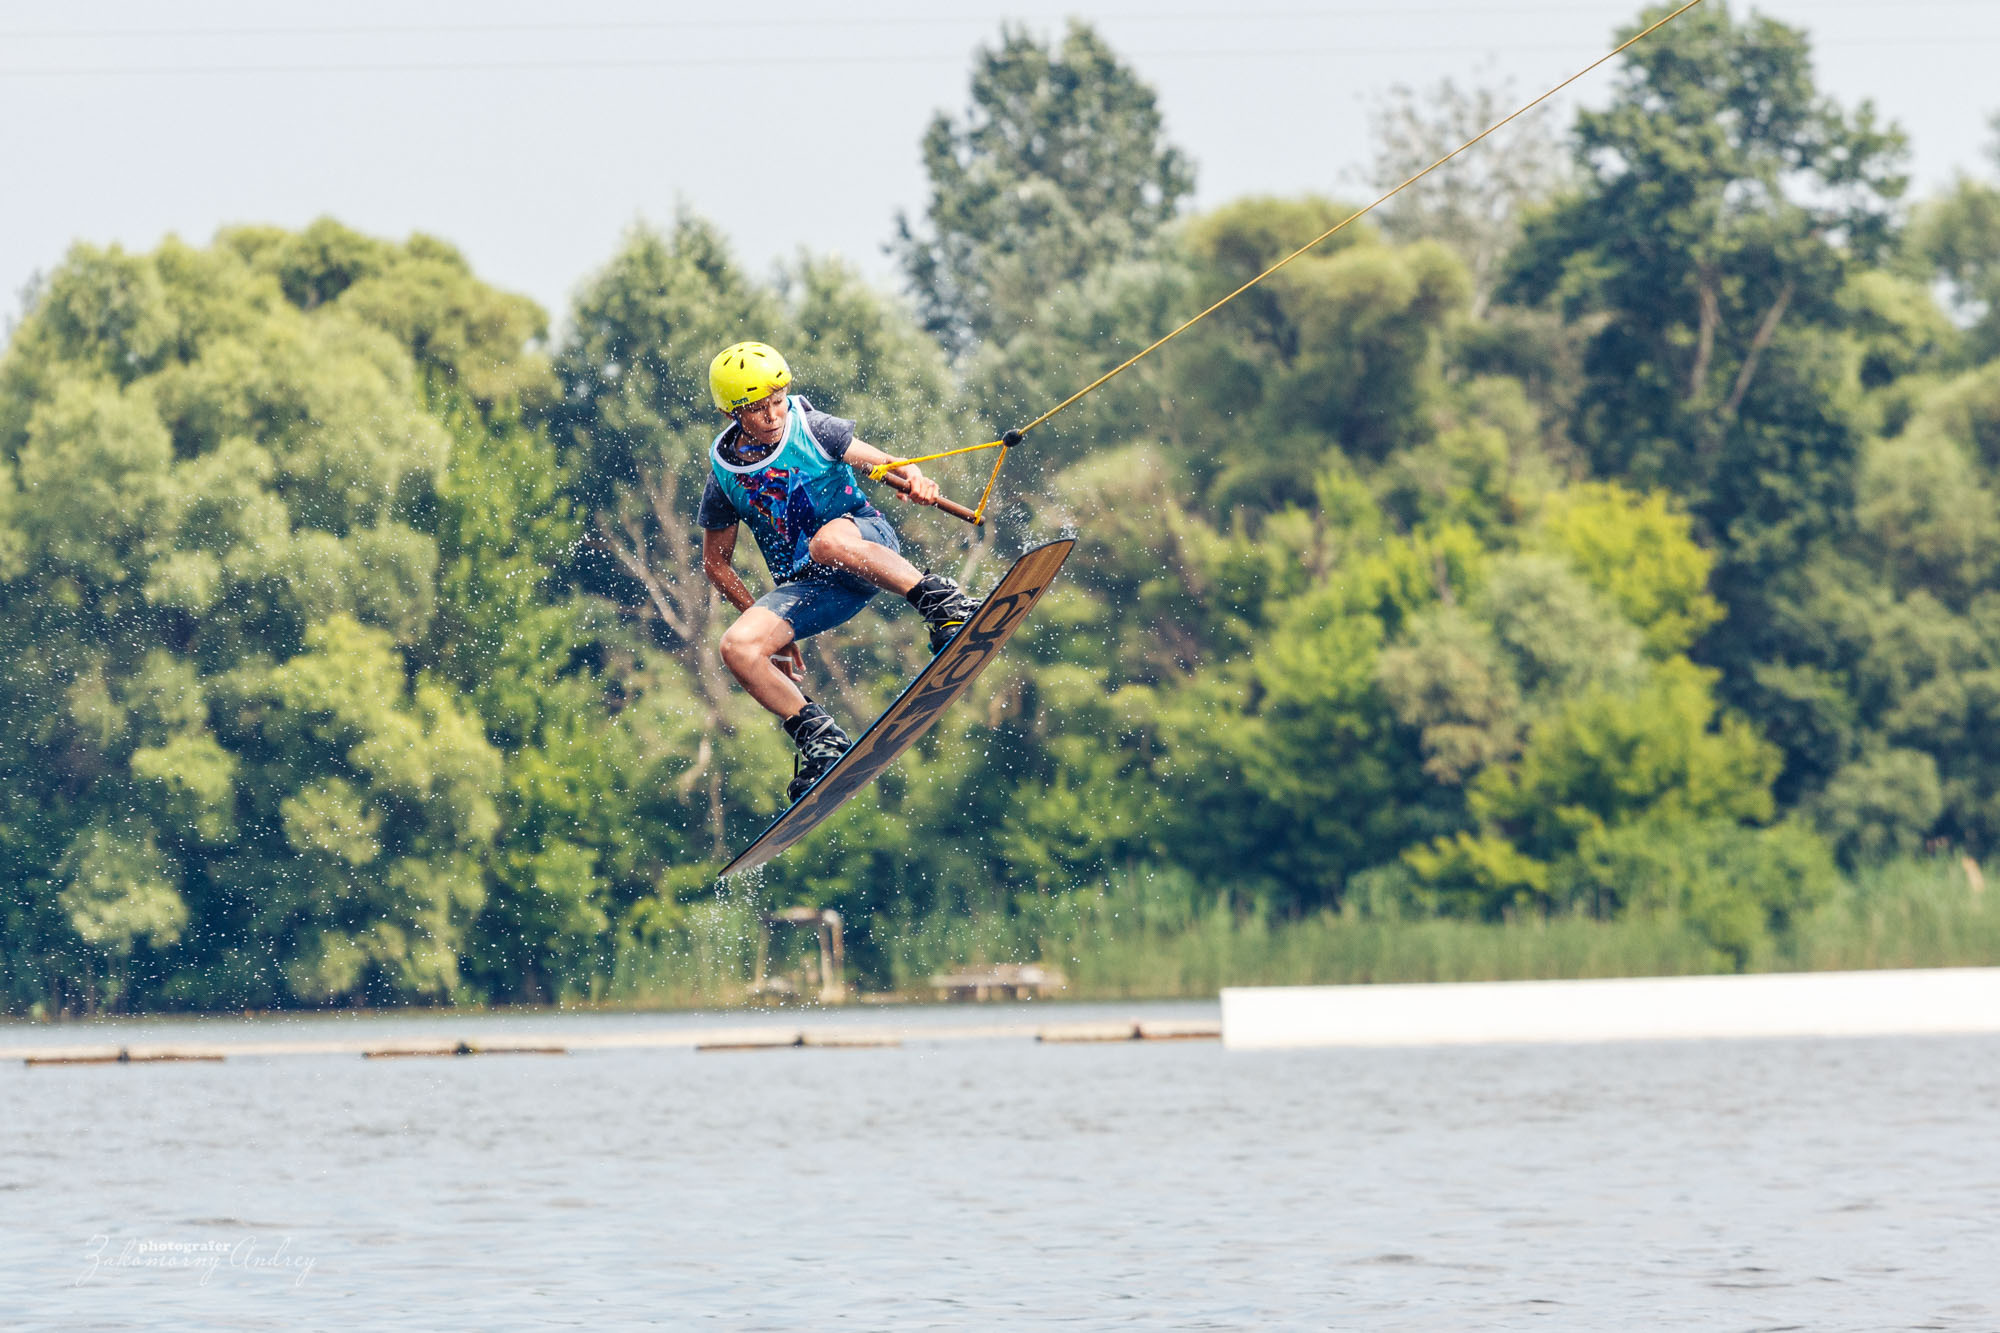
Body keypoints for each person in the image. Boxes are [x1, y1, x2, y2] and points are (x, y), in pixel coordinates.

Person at [697, 341, 984, 804]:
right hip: (814, 587)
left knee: (827, 542)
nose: (772, 416)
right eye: (757, 410)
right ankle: (820, 740)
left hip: (862, 541)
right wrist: (777, 635)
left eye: (776, 402)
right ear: (732, 414)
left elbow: (887, 464)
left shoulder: (813, 428)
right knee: (738, 647)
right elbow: (716, 563)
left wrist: (917, 480)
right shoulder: (724, 474)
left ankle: (943, 605)